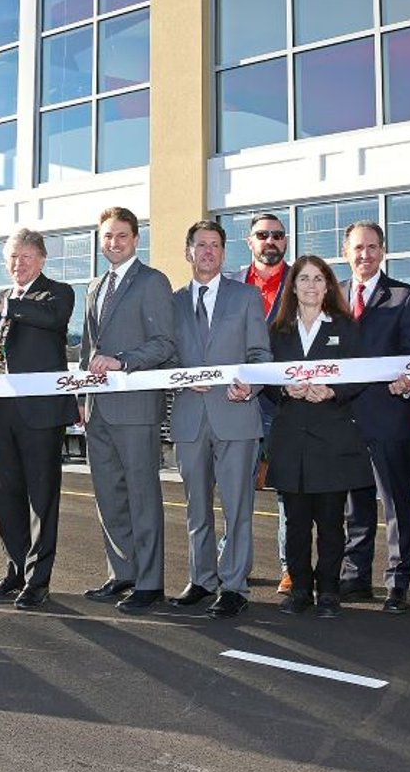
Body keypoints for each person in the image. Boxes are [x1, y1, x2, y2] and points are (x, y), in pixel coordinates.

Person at [0, 228, 78, 611]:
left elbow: (49, 318)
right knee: (8, 496)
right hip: (2, 412)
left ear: (42, 260)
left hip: (41, 413)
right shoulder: (2, 300)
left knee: (41, 499)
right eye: (13, 257)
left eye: (26, 257)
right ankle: (15, 569)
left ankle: (38, 580)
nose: (19, 264)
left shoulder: (56, 293)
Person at [168, 220, 271, 619]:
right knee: (196, 507)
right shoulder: (173, 302)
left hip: (236, 415)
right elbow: (167, 356)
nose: (207, 251)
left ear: (224, 253)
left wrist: (251, 386)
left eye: (214, 245)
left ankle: (233, 586)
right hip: (190, 417)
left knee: (237, 506)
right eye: (200, 245)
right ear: (188, 252)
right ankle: (201, 579)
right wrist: (180, 376)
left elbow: (261, 356)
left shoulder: (246, 298)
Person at [264, 255, 371, 618]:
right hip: (291, 440)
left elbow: (360, 375)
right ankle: (299, 592)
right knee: (295, 525)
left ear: (328, 286)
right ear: (292, 286)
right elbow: (264, 378)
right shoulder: (276, 330)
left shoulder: (345, 326)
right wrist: (283, 390)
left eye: (318, 279)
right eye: (303, 278)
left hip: (332, 439)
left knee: (329, 523)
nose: (310, 285)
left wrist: (332, 391)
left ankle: (328, 591)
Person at [81, 206, 176, 613]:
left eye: (121, 235)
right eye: (107, 236)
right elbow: (87, 350)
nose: (114, 243)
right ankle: (122, 573)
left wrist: (122, 359)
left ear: (136, 239)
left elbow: (164, 344)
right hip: (98, 410)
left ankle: (150, 583)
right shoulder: (95, 286)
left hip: (136, 408)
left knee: (141, 495)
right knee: (108, 497)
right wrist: (83, 400)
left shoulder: (152, 282)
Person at [338, 221, 410, 614]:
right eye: (358, 248)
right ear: (346, 252)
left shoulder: (406, 297)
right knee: (355, 504)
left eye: (372, 247)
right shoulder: (332, 296)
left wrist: (409, 380)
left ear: (383, 251)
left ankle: (397, 581)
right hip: (344, 418)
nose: (365, 255)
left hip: (389, 414)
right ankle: (355, 577)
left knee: (395, 504)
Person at [243, 213, 291, 593]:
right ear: (250, 242)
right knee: (235, 488)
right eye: (263, 235)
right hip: (238, 401)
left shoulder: (304, 282)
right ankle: (234, 563)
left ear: (285, 242)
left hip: (283, 403)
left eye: (277, 235)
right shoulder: (232, 286)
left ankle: (290, 567)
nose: (270, 241)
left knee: (287, 491)